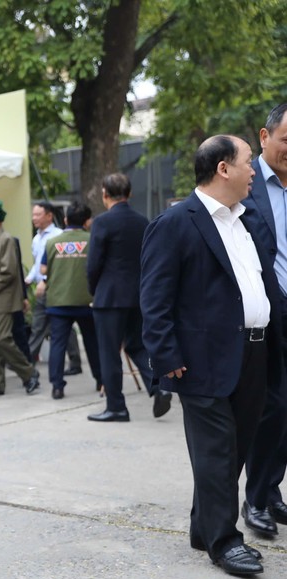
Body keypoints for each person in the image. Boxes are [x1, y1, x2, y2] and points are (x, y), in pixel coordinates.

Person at [141, 134, 281, 577]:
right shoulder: (177, 222)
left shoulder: (242, 220)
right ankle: (224, 541)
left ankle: (204, 526)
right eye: (247, 164)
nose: (254, 171)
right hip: (201, 358)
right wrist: (165, 357)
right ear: (223, 168)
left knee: (234, 448)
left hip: (253, 354)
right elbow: (155, 298)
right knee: (217, 451)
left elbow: (261, 286)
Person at [241, 103, 287, 538]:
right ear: (265, 136)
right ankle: (254, 500)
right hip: (263, 314)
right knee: (269, 407)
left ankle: (271, 490)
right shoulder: (241, 182)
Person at [86, 173, 165, 422]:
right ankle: (159, 385)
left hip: (109, 297)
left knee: (109, 353)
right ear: (129, 194)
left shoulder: (102, 222)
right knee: (137, 345)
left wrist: (93, 289)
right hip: (138, 294)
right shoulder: (143, 221)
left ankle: (117, 407)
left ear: (104, 194)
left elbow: (94, 263)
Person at [0, 199, 40, 397]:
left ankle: (29, 373)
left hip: (1, 300)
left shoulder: (6, 240)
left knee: (2, 339)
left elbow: (9, 272)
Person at [40, 202, 101, 399]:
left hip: (58, 302)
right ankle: (101, 381)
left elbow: (42, 270)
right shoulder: (92, 240)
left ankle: (57, 386)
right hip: (86, 302)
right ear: (87, 221)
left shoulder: (51, 242)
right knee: (92, 343)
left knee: (58, 344)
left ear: (65, 220)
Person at [26, 202, 81, 373]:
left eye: (38, 215)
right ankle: (29, 367)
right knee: (40, 326)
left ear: (49, 216)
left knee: (55, 326)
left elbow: (60, 266)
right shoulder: (36, 238)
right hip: (41, 288)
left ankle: (29, 368)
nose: (34, 218)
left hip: (55, 288)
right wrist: (28, 279)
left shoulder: (58, 236)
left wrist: (45, 280)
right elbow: (37, 265)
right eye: (33, 215)